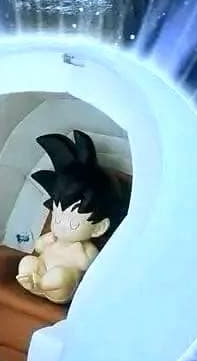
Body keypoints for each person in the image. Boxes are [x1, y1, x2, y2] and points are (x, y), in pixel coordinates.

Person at [17, 129, 130, 305]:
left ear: (98, 227)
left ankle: (44, 284)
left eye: (72, 224)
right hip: (40, 273)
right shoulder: (54, 237)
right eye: (57, 218)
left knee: (60, 276)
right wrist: (46, 241)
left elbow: (87, 265)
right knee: (27, 261)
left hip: (60, 289)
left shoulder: (85, 249)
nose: (61, 226)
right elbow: (39, 248)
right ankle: (32, 282)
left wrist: (78, 253)